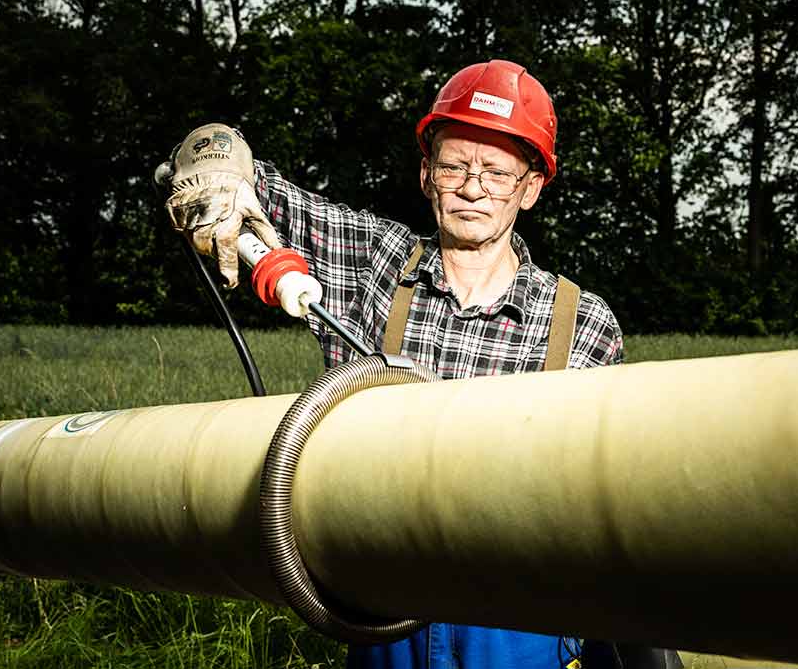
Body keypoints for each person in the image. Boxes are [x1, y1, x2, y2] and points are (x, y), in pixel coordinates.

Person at [162, 59, 678, 669]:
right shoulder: (372, 263)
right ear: (427, 173)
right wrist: (219, 177)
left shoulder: (584, 324)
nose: (472, 186)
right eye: (456, 164)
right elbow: (217, 154)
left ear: (531, 187)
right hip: (385, 604)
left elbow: (605, 500)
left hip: (522, 620)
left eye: (496, 171)